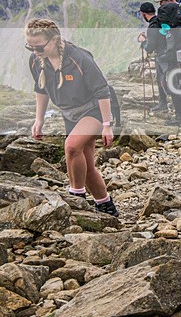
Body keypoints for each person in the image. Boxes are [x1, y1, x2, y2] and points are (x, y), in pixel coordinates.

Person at [25, 19, 119, 217]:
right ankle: (106, 206)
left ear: (54, 40)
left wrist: (107, 125)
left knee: (71, 147)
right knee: (86, 165)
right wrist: (39, 120)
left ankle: (76, 197)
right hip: (70, 113)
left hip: (94, 109)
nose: (35, 51)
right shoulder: (36, 60)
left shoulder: (79, 58)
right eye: (30, 47)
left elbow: (102, 90)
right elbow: (40, 89)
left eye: (39, 47)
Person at [137, 2, 169, 113]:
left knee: (161, 80)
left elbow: (150, 48)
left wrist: (143, 42)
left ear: (143, 14)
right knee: (169, 79)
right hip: (170, 53)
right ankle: (168, 103)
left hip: (161, 56)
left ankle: (164, 104)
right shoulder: (161, 21)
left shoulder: (152, 26)